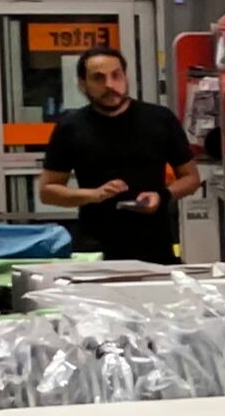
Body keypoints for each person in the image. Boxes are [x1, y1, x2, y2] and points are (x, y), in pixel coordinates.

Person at [39, 47, 199, 264]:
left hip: (155, 246)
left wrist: (162, 196)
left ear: (126, 77)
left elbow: (191, 178)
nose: (109, 85)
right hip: (95, 249)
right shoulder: (71, 126)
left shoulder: (159, 119)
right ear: (82, 83)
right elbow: (48, 192)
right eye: (98, 78)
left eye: (116, 75)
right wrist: (94, 195)